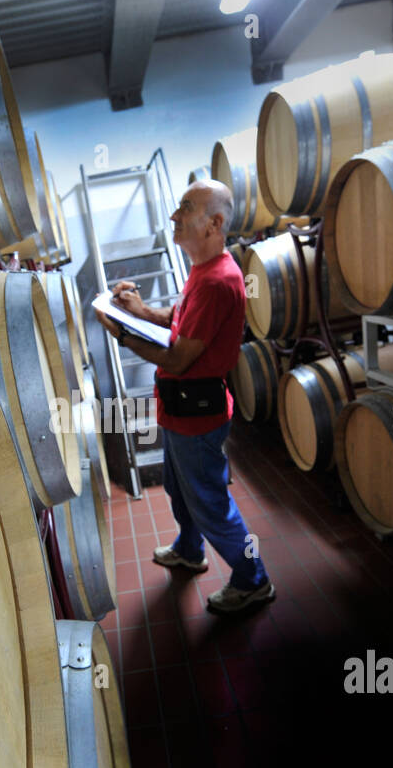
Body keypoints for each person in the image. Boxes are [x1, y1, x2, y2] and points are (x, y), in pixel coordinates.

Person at [96, 179, 273, 615]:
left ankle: (254, 580)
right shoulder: (203, 270)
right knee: (180, 488)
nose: (174, 216)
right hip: (180, 411)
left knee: (211, 503)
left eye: (185, 208)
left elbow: (177, 358)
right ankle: (190, 550)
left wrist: (121, 334)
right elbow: (179, 321)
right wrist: (138, 312)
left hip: (198, 416)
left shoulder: (219, 281)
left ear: (214, 223)